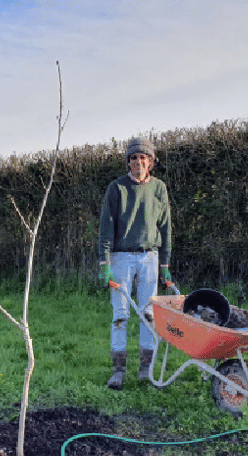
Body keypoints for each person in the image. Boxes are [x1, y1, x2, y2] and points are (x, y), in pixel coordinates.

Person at [97, 137, 172, 390]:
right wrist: (104, 262)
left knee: (149, 314)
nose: (138, 162)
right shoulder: (116, 188)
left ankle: (145, 369)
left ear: (150, 162)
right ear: (128, 162)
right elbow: (106, 227)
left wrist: (165, 265)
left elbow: (166, 227)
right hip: (121, 257)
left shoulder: (159, 188)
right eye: (133, 158)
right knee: (120, 315)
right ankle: (118, 370)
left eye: (143, 158)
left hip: (150, 257)